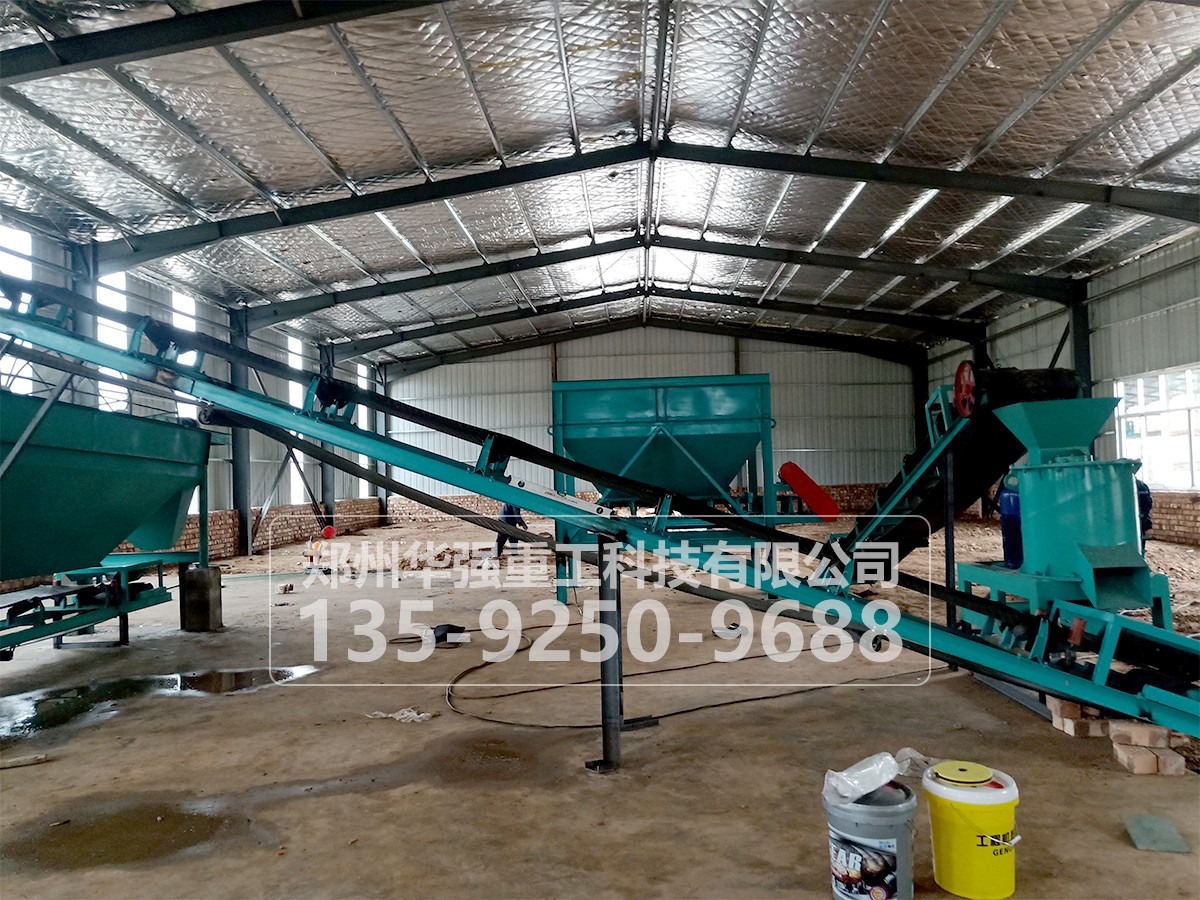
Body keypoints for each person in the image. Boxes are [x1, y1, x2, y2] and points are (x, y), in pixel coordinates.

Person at [1135, 478, 1153, 553]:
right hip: (1142, 516)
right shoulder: (1143, 485)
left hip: (1131, 517)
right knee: (1141, 534)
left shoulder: (1125, 485)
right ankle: (1141, 550)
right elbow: (1149, 502)